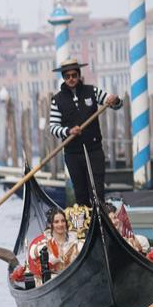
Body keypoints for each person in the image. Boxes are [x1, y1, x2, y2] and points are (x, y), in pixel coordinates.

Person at [49, 58, 122, 206]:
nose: (71, 79)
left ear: (79, 75)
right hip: (73, 154)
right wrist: (69, 131)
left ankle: (100, 223)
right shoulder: (57, 100)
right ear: (63, 77)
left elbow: (114, 104)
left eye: (74, 75)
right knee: (81, 194)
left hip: (94, 150)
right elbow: (53, 128)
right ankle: (85, 225)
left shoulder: (92, 91)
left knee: (97, 192)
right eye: (67, 76)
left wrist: (115, 100)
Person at [27, 207, 81, 284]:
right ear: (50, 225)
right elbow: (33, 253)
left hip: (75, 280)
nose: (60, 224)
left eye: (63, 221)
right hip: (52, 283)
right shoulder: (45, 243)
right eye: (56, 222)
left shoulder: (75, 241)